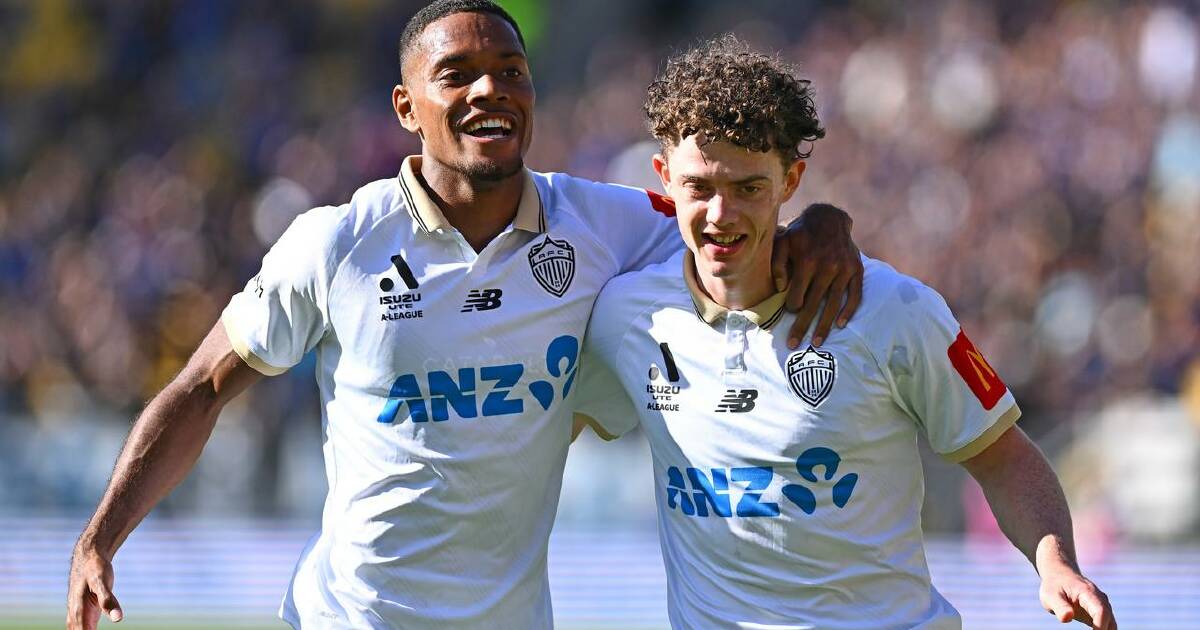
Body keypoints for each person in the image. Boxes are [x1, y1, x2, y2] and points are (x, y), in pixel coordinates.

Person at [65, 2, 864, 629]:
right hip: (351, 619)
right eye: (458, 74)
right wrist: (102, 535)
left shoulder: (608, 224)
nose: (490, 90)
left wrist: (823, 221)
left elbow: (729, 217)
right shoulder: (338, 242)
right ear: (406, 106)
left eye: (510, 71)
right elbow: (203, 386)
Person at [574, 35, 1116, 630]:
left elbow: (1004, 458)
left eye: (749, 188)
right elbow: (539, 433)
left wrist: (1056, 564)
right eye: (700, 186)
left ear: (792, 179)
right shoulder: (626, 317)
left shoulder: (891, 309)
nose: (721, 214)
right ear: (665, 178)